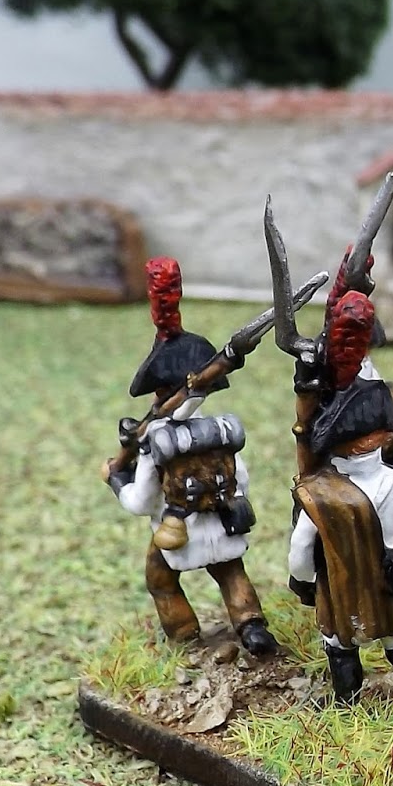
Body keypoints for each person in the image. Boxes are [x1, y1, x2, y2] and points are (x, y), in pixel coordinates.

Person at [106, 257, 277, 657]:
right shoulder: (218, 432)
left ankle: (185, 637)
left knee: (160, 579)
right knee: (231, 573)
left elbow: (140, 502)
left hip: (178, 530)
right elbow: (241, 479)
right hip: (221, 523)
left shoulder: (156, 442)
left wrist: (116, 479)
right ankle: (251, 624)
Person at [287, 292, 393, 707]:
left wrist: (303, 582)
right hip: (388, 583)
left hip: (339, 590)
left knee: (340, 646)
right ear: (384, 436)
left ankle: (346, 701)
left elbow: (301, 549)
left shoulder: (318, 491)